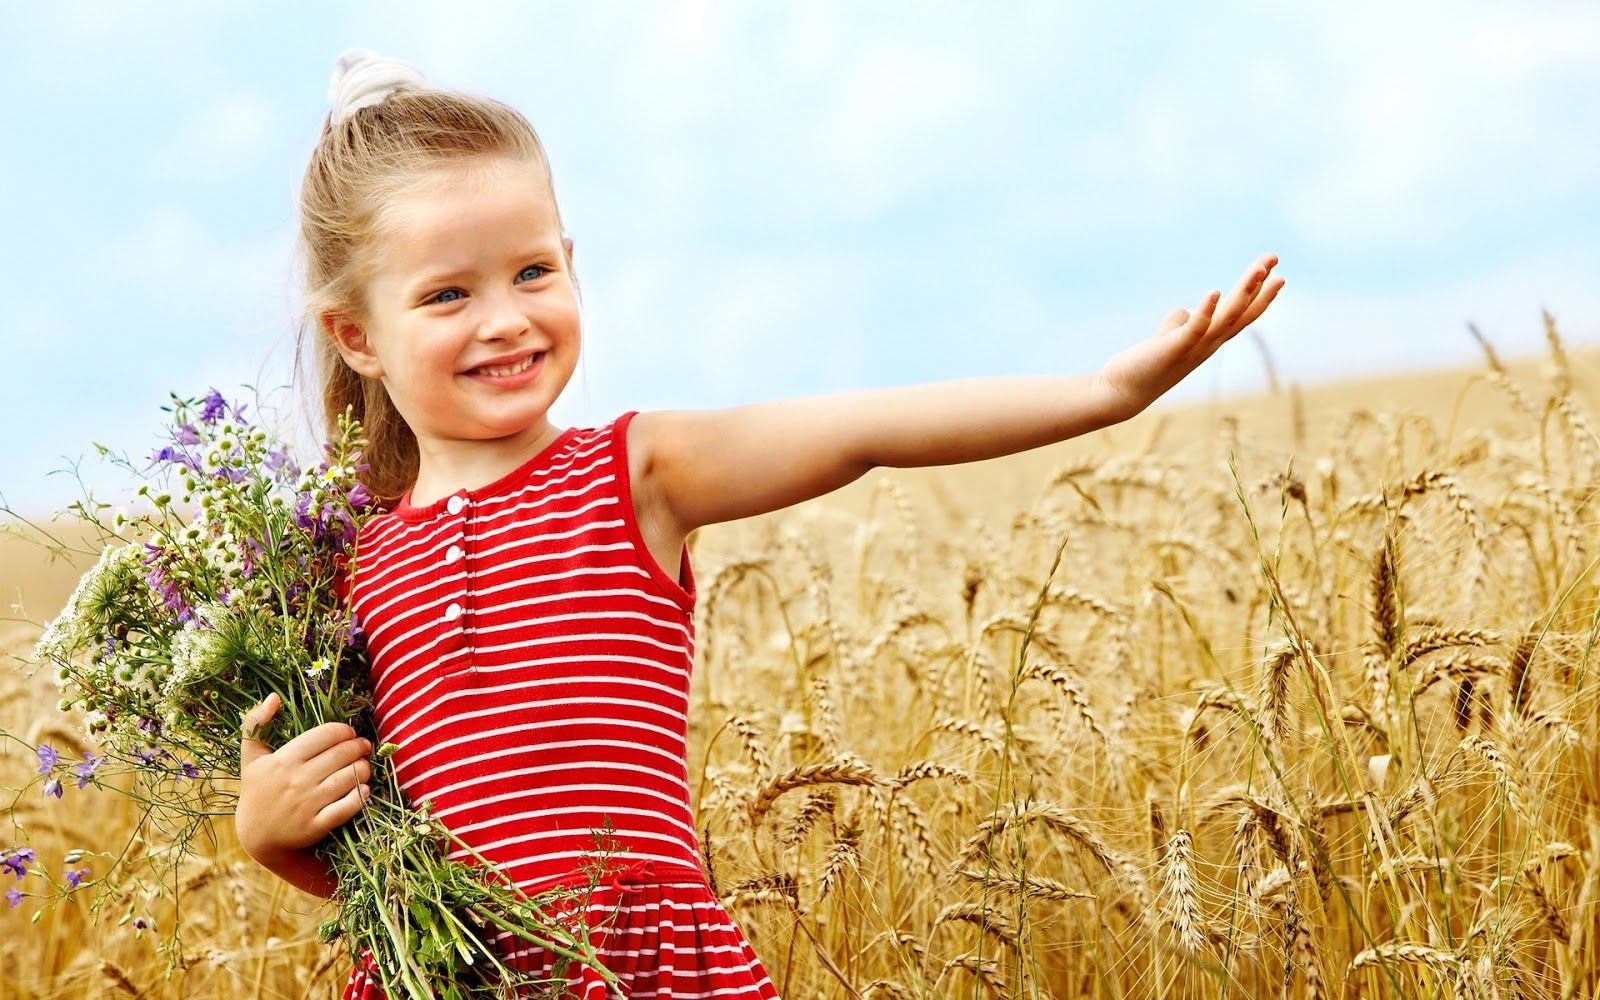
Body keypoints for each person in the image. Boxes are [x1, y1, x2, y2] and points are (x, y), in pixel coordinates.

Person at [233, 47, 1284, 1000]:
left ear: (571, 258)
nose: (505, 318)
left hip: (643, 968)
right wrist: (268, 832)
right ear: (356, 334)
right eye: (448, 294)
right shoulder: (347, 560)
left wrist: (1102, 393)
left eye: (533, 271)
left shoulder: (630, 472)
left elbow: (863, 430)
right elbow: (372, 859)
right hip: (450, 976)